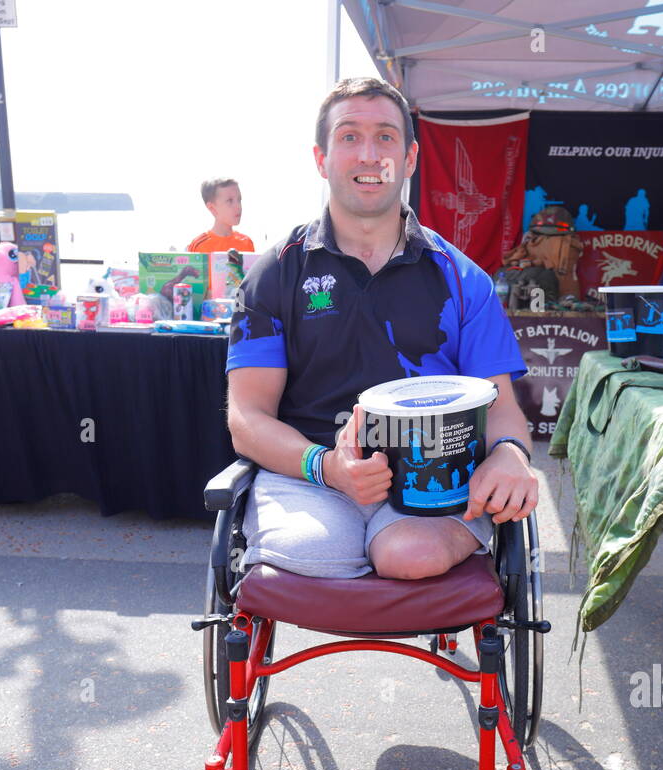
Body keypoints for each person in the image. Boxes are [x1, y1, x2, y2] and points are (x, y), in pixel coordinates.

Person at [226, 77, 537, 580]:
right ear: (321, 159)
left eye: (386, 137)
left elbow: (501, 406)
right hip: (309, 472)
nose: (369, 155)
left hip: (436, 474)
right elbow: (247, 417)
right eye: (349, 137)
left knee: (408, 556)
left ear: (410, 158)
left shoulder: (461, 278)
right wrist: (327, 467)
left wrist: (508, 455)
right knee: (311, 554)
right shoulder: (274, 275)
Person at [188, 178, 255, 254]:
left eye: (239, 200)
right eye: (230, 201)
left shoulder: (247, 243)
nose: (238, 206)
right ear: (212, 208)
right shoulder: (199, 246)